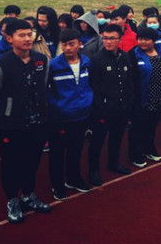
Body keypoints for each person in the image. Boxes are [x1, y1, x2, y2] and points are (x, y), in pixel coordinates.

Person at [0, 19, 51, 223]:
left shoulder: (42, 60)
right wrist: (7, 114)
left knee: (32, 161)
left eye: (29, 34)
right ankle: (12, 199)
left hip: (37, 123)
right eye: (21, 35)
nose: (27, 38)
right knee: (11, 164)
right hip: (11, 126)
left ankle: (29, 194)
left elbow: (43, 85)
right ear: (9, 38)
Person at [47, 28, 93, 200]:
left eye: (71, 44)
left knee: (76, 150)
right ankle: (57, 184)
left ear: (79, 44)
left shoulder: (87, 62)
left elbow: (90, 84)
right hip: (60, 117)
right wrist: (57, 104)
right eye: (64, 44)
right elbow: (46, 90)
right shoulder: (53, 65)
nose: (67, 48)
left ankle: (73, 179)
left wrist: (88, 100)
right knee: (57, 153)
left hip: (81, 116)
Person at [87, 24, 133, 187]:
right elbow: (93, 85)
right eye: (105, 38)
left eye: (112, 38)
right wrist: (98, 108)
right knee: (97, 141)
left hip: (121, 107)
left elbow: (129, 81)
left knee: (117, 137)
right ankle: (93, 170)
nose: (108, 42)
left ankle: (114, 162)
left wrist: (128, 102)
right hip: (103, 109)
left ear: (119, 39)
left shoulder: (125, 56)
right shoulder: (96, 59)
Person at [128, 27, 161, 168]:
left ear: (154, 40)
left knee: (152, 125)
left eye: (146, 39)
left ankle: (149, 148)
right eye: (140, 39)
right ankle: (135, 154)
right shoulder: (133, 55)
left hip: (159, 94)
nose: (143, 42)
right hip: (142, 97)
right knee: (138, 127)